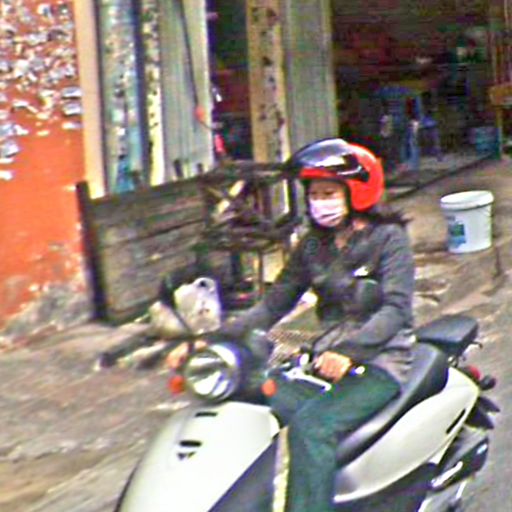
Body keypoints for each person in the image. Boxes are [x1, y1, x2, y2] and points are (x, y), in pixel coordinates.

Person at [167, 138, 416, 512]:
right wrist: (210, 341)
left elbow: (395, 311)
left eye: (329, 193)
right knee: (246, 398)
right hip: (322, 361)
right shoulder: (313, 246)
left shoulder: (389, 240)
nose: (319, 202)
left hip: (379, 362)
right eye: (314, 194)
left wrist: (348, 352)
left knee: (313, 426)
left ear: (357, 193)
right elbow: (273, 304)